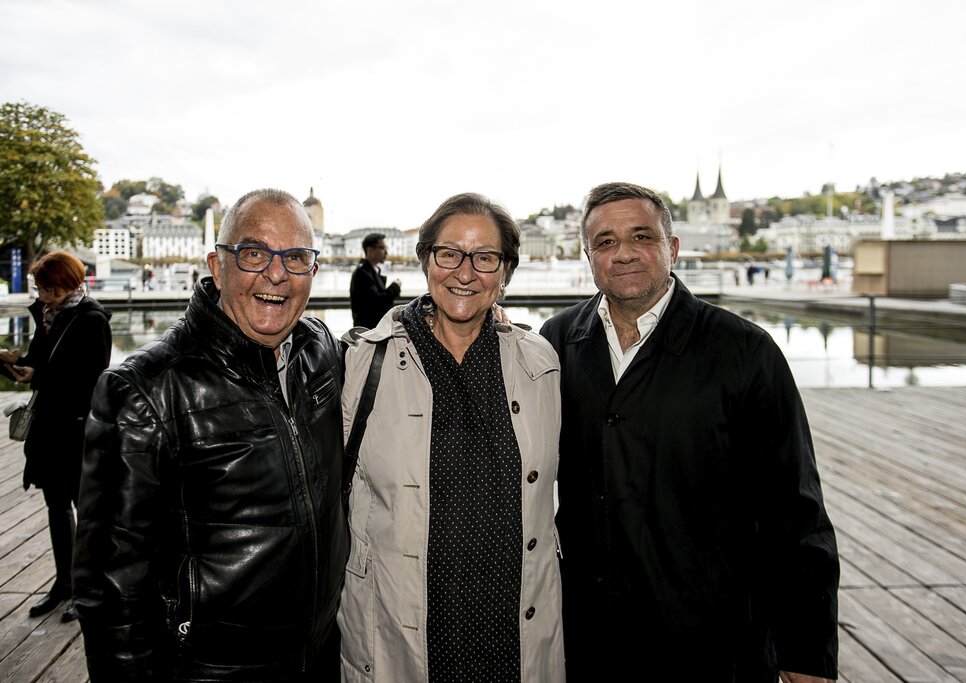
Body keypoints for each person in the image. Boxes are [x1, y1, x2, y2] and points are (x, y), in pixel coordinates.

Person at [539, 182, 839, 682]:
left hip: (714, 640)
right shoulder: (554, 343)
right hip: (591, 639)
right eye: (606, 242)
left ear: (672, 248)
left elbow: (794, 508)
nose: (625, 253)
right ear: (588, 255)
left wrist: (805, 652)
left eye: (642, 236)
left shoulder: (745, 351)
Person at [73, 189, 348, 682]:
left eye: (297, 257)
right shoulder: (146, 391)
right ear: (217, 266)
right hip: (210, 671)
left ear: (313, 269)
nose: (277, 273)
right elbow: (111, 591)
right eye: (254, 253)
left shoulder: (318, 353)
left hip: (321, 659)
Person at [338, 193, 564, 681]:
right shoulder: (360, 365)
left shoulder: (540, 365)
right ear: (426, 260)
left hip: (514, 643)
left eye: (485, 257)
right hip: (403, 641)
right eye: (450, 254)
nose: (465, 272)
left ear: (505, 272)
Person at [0, 251, 111, 624]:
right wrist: (15, 361)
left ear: (67, 284)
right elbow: (38, 359)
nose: (43, 296)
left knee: (86, 511)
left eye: (48, 289)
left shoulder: (92, 319)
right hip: (49, 426)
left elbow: (89, 378)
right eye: (40, 289)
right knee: (56, 507)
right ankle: (63, 583)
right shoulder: (48, 316)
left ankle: (88, 590)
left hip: (78, 427)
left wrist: (38, 375)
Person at [350, 232, 401, 328]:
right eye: (382, 248)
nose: (386, 252)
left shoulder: (370, 271)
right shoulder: (361, 274)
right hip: (367, 333)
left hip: (373, 331)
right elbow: (377, 303)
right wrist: (395, 287)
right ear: (370, 250)